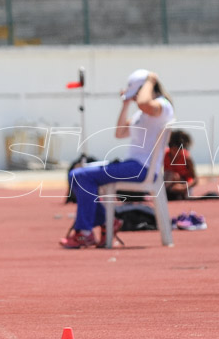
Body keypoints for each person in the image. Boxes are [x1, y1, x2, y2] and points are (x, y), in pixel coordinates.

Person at [61, 69, 175, 249]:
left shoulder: (162, 106)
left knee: (82, 176)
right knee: (77, 174)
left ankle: (85, 232)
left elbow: (145, 102)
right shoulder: (142, 114)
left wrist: (150, 81)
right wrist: (125, 103)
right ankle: (106, 222)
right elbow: (120, 132)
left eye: (137, 94)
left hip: (142, 168)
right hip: (131, 165)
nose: (137, 99)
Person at [164, 130, 198, 200]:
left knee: (186, 196)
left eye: (178, 150)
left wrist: (184, 186)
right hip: (170, 184)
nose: (175, 152)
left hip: (184, 185)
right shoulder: (165, 155)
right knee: (169, 174)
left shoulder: (186, 158)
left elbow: (195, 179)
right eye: (173, 149)